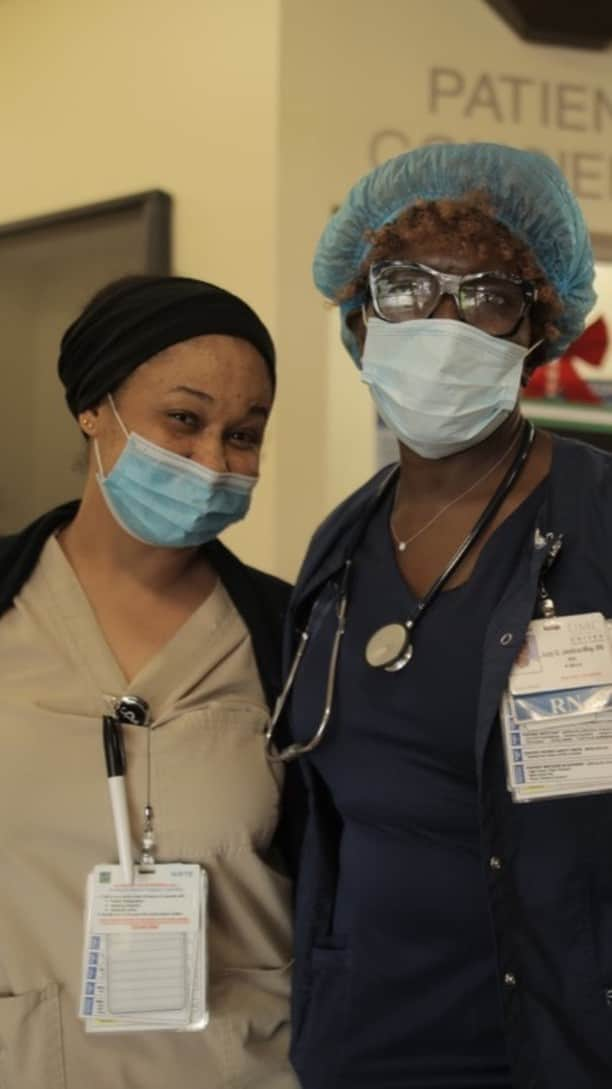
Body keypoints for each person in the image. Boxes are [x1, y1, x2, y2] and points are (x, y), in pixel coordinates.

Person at [266, 143, 612, 1089]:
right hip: (359, 1039)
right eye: (407, 287)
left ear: (536, 331)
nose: (444, 320)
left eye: (488, 293)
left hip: (556, 1045)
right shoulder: (343, 542)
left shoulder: (598, 520)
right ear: (360, 315)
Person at [0, 274, 299, 1089]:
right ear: (94, 409)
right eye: (183, 419)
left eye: (244, 434)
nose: (212, 459)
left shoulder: (291, 637)